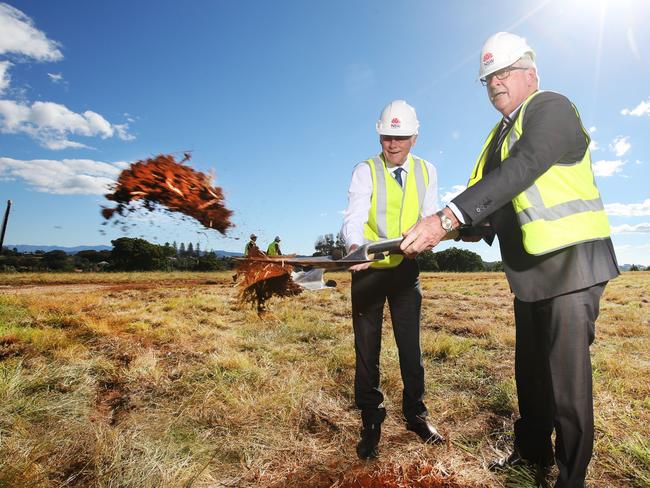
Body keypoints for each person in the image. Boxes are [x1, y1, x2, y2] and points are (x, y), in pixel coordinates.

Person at [400, 32, 619, 488]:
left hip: (573, 264)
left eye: (504, 73)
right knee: (532, 372)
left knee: (566, 384)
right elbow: (492, 204)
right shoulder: (495, 137)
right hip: (530, 271)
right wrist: (451, 230)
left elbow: (527, 166)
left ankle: (570, 477)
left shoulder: (551, 108)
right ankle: (531, 452)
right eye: (488, 78)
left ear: (530, 74)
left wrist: (446, 217)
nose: (496, 83)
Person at [340, 99, 444, 461]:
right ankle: (371, 418)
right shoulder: (365, 170)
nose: (392, 144)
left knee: (410, 348)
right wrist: (355, 247)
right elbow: (353, 216)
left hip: (405, 272)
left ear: (414, 137)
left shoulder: (427, 171)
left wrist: (423, 243)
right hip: (368, 271)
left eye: (400, 137)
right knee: (366, 351)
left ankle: (416, 413)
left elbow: (429, 216)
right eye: (386, 137)